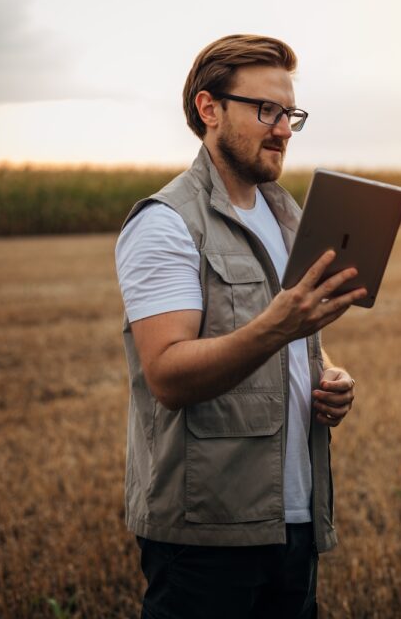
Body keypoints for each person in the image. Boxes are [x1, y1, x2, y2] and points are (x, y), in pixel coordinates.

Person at [115, 34, 363, 618]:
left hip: (294, 521)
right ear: (210, 109)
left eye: (290, 114)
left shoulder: (288, 215)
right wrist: (278, 328)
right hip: (206, 536)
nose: (283, 129)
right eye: (266, 111)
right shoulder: (166, 223)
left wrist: (326, 375)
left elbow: (289, 341)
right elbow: (168, 375)